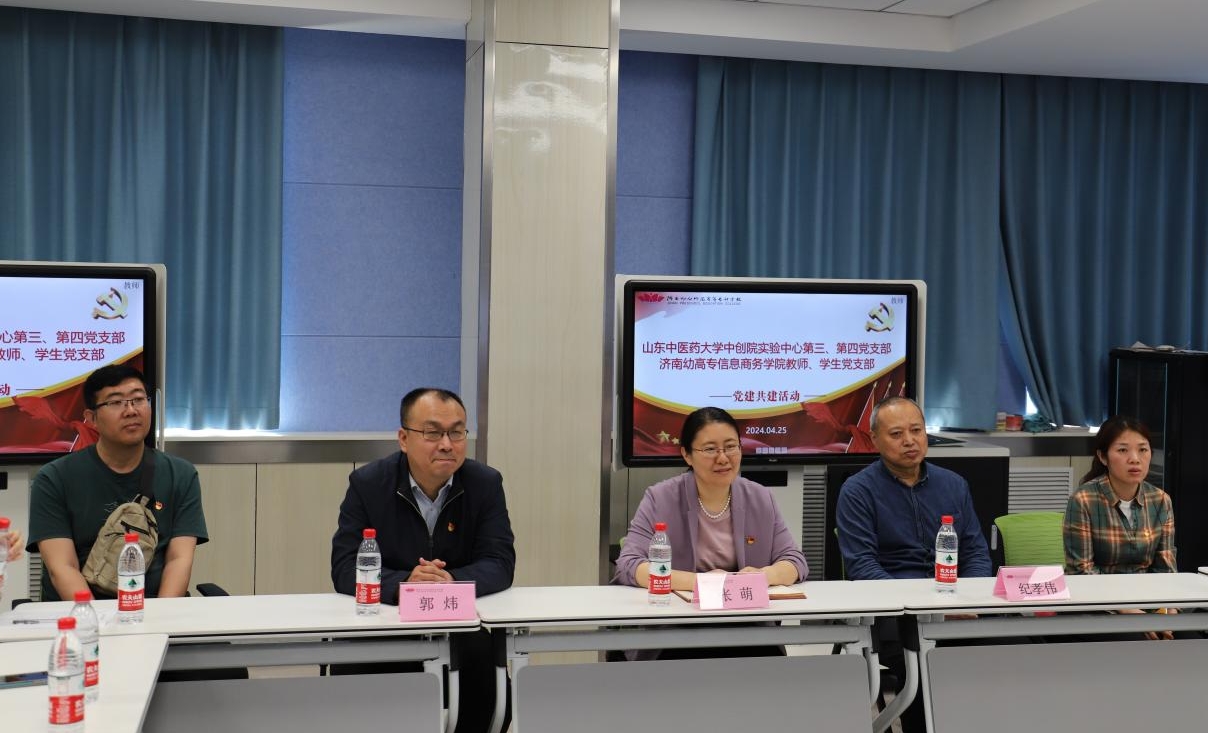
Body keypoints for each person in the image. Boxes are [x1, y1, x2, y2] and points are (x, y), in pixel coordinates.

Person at [331, 387, 515, 733]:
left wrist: (451, 581)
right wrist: (405, 586)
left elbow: (499, 561)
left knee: (488, 685)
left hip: (460, 630)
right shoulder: (368, 484)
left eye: (457, 432)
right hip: (384, 627)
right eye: (432, 433)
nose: (447, 444)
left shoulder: (485, 483)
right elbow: (344, 567)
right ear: (404, 438)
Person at [835, 396, 992, 733]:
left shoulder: (953, 484)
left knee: (1007, 652)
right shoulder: (858, 491)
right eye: (896, 434)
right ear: (875, 439)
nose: (909, 441)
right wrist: (918, 606)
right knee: (925, 668)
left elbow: (976, 552)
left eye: (916, 431)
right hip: (894, 614)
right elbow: (863, 567)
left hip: (956, 603)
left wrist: (971, 599)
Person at [613, 406, 807, 658]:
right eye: (710, 449)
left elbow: (794, 561)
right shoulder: (660, 498)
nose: (723, 458)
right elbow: (628, 565)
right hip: (676, 628)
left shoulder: (760, 497)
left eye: (731, 447)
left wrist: (761, 576)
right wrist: (700, 583)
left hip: (748, 627)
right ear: (687, 454)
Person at [26, 364, 208, 602]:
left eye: (138, 399)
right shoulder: (54, 479)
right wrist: (94, 619)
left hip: (155, 606)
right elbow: (63, 568)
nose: (131, 410)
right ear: (91, 419)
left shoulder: (180, 474)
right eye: (116, 402)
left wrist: (160, 617)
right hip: (79, 612)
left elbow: (179, 560)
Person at [1064, 415, 1182, 640]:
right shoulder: (1083, 500)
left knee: (1190, 637)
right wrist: (1128, 611)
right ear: (1103, 457)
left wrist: (1168, 612)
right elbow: (1081, 572)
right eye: (1122, 450)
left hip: (1148, 603)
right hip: (1100, 607)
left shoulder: (1160, 500)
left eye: (1143, 450)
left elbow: (1166, 569)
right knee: (1136, 640)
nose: (1135, 459)